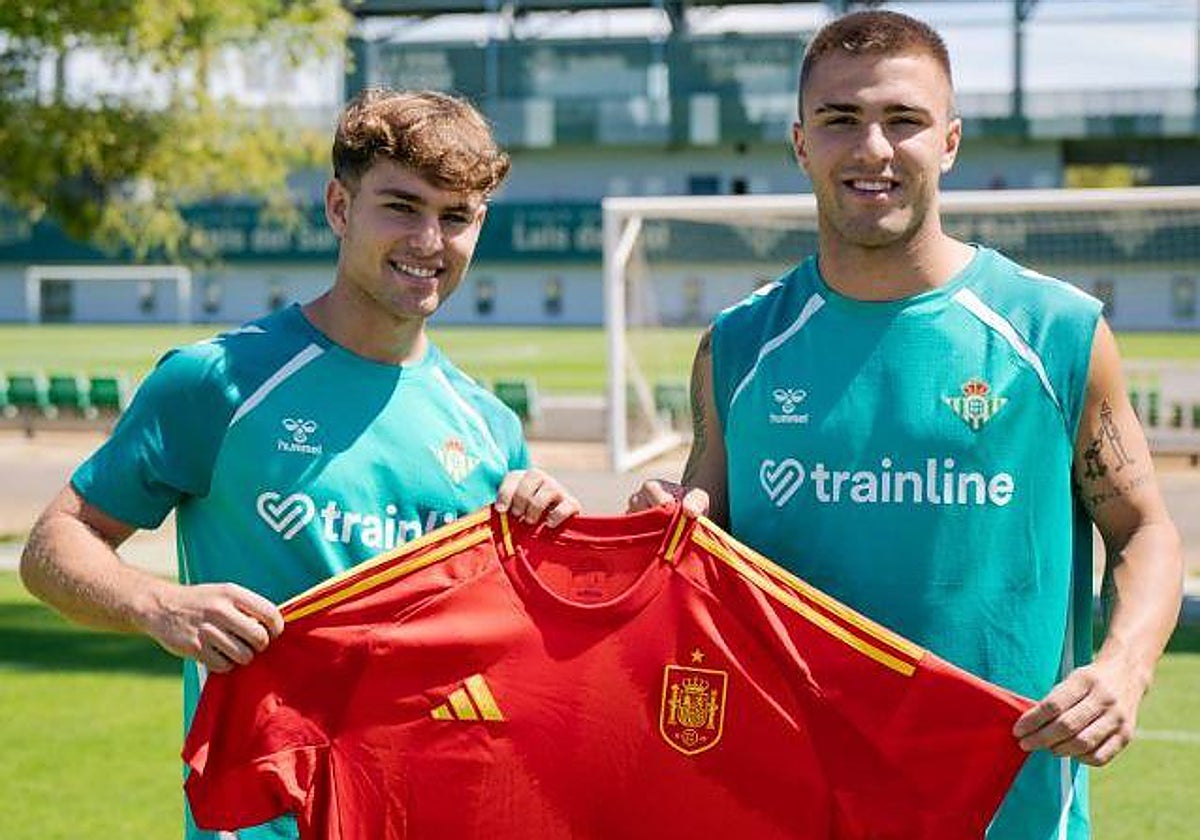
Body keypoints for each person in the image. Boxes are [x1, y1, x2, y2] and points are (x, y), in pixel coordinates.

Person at [628, 11, 1182, 839]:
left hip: (1009, 811)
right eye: (841, 120)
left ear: (950, 141)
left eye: (905, 120)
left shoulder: (1055, 333)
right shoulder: (741, 346)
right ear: (800, 143)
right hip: (790, 808)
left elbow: (1144, 530)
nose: (874, 149)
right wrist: (660, 521)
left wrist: (1124, 667)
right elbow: (701, 548)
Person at [20, 87, 580, 840]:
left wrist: (548, 540)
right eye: (402, 207)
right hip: (258, 823)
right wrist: (162, 608)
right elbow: (52, 546)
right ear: (339, 208)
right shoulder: (216, 382)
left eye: (456, 217)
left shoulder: (489, 429)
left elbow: (512, 666)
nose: (429, 240)